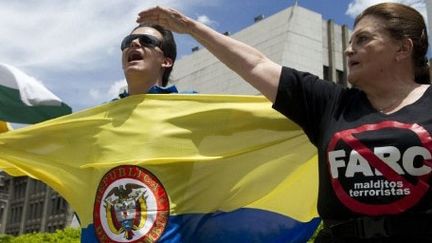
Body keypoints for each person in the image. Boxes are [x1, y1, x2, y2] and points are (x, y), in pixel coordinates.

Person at [136, 2, 432, 242]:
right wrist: (190, 27)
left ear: (402, 49)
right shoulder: (329, 104)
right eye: (350, 40)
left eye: (364, 39)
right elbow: (256, 64)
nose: (348, 49)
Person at [118, 23, 179, 98]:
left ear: (165, 62)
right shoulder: (104, 109)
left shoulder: (191, 104)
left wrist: (192, 28)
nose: (134, 42)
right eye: (128, 41)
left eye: (147, 40)